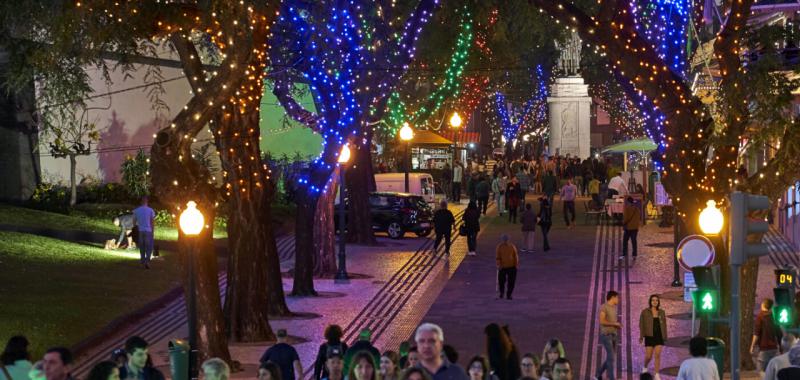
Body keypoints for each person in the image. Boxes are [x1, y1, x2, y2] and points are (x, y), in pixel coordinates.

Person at [639, 295, 667, 379]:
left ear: (658, 302)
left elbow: (664, 325)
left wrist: (665, 336)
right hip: (649, 336)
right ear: (650, 301)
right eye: (653, 300)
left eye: (656, 300)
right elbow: (641, 325)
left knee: (657, 355)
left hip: (659, 336)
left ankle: (657, 374)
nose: (655, 302)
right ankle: (645, 367)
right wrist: (641, 336)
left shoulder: (662, 312)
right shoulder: (645, 312)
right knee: (648, 356)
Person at [595, 291, 621, 380]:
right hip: (606, 336)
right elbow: (602, 321)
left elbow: (611, 322)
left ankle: (598, 374)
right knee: (611, 357)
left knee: (611, 357)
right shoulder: (604, 307)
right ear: (613, 297)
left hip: (614, 335)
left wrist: (617, 326)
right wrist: (614, 323)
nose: (618, 300)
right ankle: (611, 378)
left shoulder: (614, 308)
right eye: (617, 298)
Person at [751, 298, 782, 373]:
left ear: (763, 305)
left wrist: (752, 346)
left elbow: (756, 333)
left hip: (764, 348)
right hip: (774, 348)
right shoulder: (773, 317)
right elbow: (779, 334)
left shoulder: (760, 316)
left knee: (760, 370)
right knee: (773, 370)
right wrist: (781, 347)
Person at [132, 196, 156, 269]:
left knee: (142, 247)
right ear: (147, 202)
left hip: (140, 230)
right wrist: (153, 231)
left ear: (141, 202)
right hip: (148, 231)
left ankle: (142, 261)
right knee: (149, 247)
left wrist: (135, 228)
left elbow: (134, 222)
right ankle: (147, 261)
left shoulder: (136, 210)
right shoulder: (151, 210)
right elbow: (152, 222)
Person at [495, 234, 519, 300]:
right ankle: (502, 293)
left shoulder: (512, 246)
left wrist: (516, 265)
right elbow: (498, 257)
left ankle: (509, 294)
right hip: (502, 267)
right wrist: (499, 264)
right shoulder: (499, 247)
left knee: (511, 282)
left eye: (506, 240)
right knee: (501, 281)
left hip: (512, 267)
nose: (505, 241)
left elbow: (515, 256)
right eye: (504, 240)